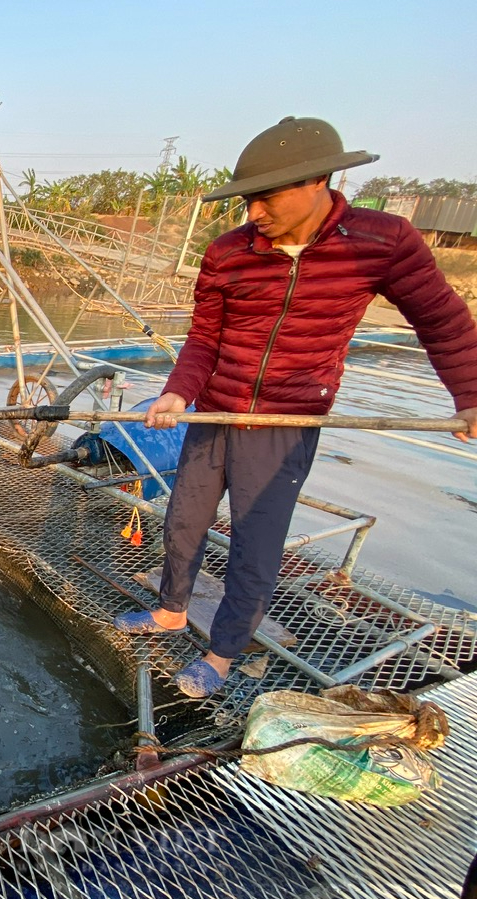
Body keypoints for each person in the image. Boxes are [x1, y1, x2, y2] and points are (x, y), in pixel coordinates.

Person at [113, 116, 477, 698]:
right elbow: (204, 338)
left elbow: (442, 321)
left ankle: (223, 653)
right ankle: (171, 611)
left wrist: (471, 396)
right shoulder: (228, 253)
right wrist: (178, 391)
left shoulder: (383, 242)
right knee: (183, 523)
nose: (253, 212)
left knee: (256, 544)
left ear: (320, 182)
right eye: (247, 199)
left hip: (285, 422)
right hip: (214, 413)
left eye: (266, 197)